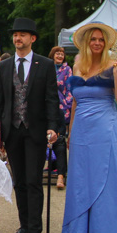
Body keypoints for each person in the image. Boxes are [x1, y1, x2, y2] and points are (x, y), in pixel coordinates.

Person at [61, 23, 117, 233]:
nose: (97, 43)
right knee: (82, 178)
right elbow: (75, 101)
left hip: (106, 127)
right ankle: (82, 231)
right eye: (93, 39)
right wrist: (71, 130)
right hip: (81, 129)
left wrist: (116, 76)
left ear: (106, 44)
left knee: (104, 177)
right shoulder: (77, 66)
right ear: (86, 43)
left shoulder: (113, 66)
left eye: (101, 40)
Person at [0, 18, 61, 233]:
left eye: (22, 34)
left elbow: (52, 99)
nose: (17, 38)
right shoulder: (4, 66)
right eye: (15, 35)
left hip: (35, 130)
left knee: (34, 181)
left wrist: (53, 126)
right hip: (12, 131)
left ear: (32, 38)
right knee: (19, 181)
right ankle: (23, 226)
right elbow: (0, 102)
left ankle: (35, 231)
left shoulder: (45, 65)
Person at [49, 46, 73, 189]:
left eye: (62, 54)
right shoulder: (48, 67)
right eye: (57, 53)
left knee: (60, 138)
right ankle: (53, 166)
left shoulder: (67, 69)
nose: (59, 55)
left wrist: (67, 103)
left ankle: (61, 174)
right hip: (49, 104)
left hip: (62, 105)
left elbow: (70, 87)